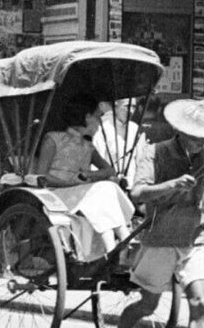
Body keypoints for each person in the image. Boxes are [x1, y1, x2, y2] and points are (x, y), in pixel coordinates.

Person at [104, 98, 204, 328]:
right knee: (148, 305)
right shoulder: (155, 153)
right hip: (160, 236)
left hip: (193, 235)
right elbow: (138, 192)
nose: (200, 143)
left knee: (200, 300)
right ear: (180, 131)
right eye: (194, 137)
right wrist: (171, 185)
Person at [34, 93, 134, 261]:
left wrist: (89, 174)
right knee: (102, 189)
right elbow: (41, 176)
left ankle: (117, 246)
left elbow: (109, 171)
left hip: (80, 193)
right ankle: (121, 243)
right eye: (98, 117)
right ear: (87, 117)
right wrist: (69, 183)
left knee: (107, 187)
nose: (100, 122)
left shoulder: (88, 146)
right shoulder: (54, 139)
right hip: (55, 195)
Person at [93, 97, 146, 188]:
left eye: (133, 107)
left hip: (131, 186)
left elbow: (140, 162)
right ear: (115, 106)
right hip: (108, 186)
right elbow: (97, 164)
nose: (130, 110)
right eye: (127, 106)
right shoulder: (102, 128)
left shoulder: (135, 129)